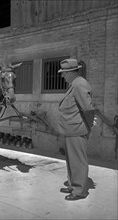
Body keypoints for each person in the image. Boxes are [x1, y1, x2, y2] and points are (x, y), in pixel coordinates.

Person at [58, 58, 94, 200]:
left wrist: (88, 126)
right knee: (71, 161)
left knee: (78, 161)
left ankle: (80, 191)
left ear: (71, 72)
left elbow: (88, 108)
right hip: (71, 130)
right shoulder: (75, 84)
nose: (62, 76)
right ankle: (74, 185)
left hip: (77, 130)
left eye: (64, 73)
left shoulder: (80, 85)